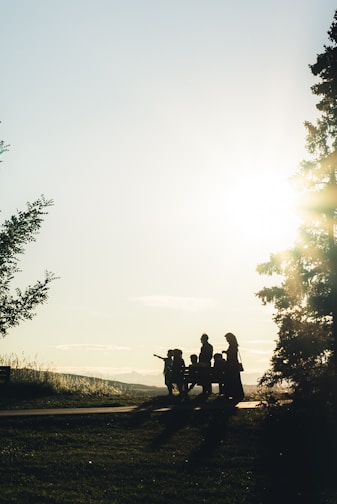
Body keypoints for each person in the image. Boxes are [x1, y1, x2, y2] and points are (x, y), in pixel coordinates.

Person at [222, 332, 244, 404]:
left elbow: (232, 356)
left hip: (232, 365)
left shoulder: (232, 346)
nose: (226, 340)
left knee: (232, 379)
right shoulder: (234, 346)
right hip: (234, 365)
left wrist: (230, 365)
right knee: (235, 380)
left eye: (227, 338)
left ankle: (234, 394)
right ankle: (237, 394)